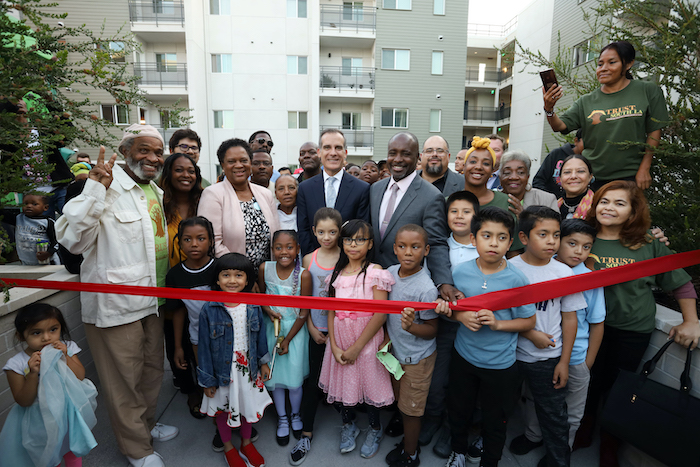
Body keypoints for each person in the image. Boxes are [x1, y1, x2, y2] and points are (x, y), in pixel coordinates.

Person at [56, 124, 178, 467]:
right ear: (125, 150)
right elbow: (72, 240)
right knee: (123, 382)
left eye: (158, 153)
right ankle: (136, 449)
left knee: (151, 372)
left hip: (152, 303)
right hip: (115, 307)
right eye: (144, 150)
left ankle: (146, 428)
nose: (153, 158)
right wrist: (95, 189)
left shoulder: (152, 188)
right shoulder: (102, 185)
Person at [579, 181, 699, 465]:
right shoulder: (582, 236)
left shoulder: (648, 242)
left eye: (620, 203)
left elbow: (679, 282)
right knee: (587, 382)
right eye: (604, 201)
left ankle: (610, 441)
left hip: (632, 329)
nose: (609, 208)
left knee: (620, 387)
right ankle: (583, 429)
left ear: (633, 212)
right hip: (586, 327)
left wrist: (691, 321)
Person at [436, 207, 536, 467]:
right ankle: (457, 452)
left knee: (496, 420)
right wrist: (458, 317)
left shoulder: (517, 279)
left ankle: (490, 461)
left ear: (510, 242)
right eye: (487, 236)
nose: (494, 243)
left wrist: (498, 324)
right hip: (463, 357)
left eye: (502, 237)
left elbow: (529, 321)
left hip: (500, 365)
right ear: (473, 239)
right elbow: (450, 310)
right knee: (458, 410)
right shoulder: (459, 273)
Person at [511, 218, 605, 457]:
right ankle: (533, 436)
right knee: (535, 399)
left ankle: (563, 450)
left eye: (586, 247)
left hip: (575, 356)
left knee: (570, 411)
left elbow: (596, 323)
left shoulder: (589, 279)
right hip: (541, 354)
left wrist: (587, 362)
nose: (579, 251)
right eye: (571, 243)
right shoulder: (536, 268)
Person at [543, 41, 670, 190]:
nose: (604, 69)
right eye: (600, 64)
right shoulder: (587, 101)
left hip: (630, 176)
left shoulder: (647, 91)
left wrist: (645, 167)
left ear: (628, 64)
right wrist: (549, 108)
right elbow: (560, 126)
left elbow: (655, 130)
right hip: (593, 178)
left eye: (612, 62)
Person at [318, 219, 395, 458]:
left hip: (366, 340)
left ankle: (374, 428)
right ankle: (348, 425)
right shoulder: (336, 274)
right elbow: (331, 310)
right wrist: (334, 343)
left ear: (370, 244)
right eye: (349, 239)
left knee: (369, 386)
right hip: (339, 340)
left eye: (360, 239)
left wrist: (357, 348)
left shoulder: (376, 273)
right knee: (343, 384)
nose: (354, 244)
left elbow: (381, 314)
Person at [420, 190, 480, 458]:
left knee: (463, 383)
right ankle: (432, 418)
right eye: (453, 211)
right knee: (437, 380)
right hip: (444, 324)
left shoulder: (483, 245)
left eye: (466, 212)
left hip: (474, 328)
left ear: (476, 216)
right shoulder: (439, 245)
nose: (459, 216)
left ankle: (451, 427)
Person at [0, 303, 97, 467]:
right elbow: (24, 400)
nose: (46, 337)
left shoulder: (68, 348)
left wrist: (66, 356)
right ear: (21, 336)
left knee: (72, 449)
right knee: (49, 455)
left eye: (53, 329)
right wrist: (32, 374)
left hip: (67, 412)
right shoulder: (17, 364)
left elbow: (80, 376)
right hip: (39, 419)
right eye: (36, 332)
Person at [198, 253, 272, 467]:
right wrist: (207, 380)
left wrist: (264, 362)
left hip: (247, 371)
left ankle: (246, 443)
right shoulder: (209, 309)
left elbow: (260, 337)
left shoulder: (253, 305)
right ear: (218, 279)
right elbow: (203, 346)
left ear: (247, 280)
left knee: (248, 408)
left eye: (238, 275)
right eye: (226, 275)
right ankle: (228, 447)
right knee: (223, 410)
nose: (232, 280)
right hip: (222, 374)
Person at [370, 132, 460, 304]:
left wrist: (444, 282)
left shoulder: (431, 196)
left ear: (418, 158)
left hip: (406, 286)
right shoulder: (375, 189)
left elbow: (436, 242)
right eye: (392, 153)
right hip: (374, 284)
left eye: (405, 154)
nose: (397, 159)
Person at [289, 208, 343, 465]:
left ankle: (349, 425)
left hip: (341, 331)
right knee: (313, 381)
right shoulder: (308, 259)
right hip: (316, 328)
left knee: (342, 379)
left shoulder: (346, 257)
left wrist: (334, 334)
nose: (327, 237)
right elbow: (305, 298)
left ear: (340, 232)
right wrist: (310, 326)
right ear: (313, 231)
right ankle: (306, 432)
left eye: (332, 232)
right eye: (321, 232)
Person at [384, 224, 439, 467]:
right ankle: (408, 442)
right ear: (395, 249)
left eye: (415, 247)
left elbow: (432, 330)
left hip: (417, 359)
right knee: (402, 403)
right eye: (403, 246)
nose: (408, 252)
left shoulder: (426, 288)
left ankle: (411, 455)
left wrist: (410, 327)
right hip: (397, 354)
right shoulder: (390, 273)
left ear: (425, 250)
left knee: (411, 410)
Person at [258, 230, 311, 446]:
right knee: (275, 378)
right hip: (272, 329)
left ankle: (295, 414)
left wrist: (288, 339)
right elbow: (260, 296)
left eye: (289, 247)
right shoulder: (265, 269)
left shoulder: (303, 275)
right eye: (278, 247)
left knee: (294, 380)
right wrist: (268, 310)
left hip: (294, 333)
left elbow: (304, 311)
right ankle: (282, 418)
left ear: (297, 249)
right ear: (272, 250)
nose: (284, 252)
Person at [198, 138, 279, 270]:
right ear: (223, 165)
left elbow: (276, 236)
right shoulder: (212, 194)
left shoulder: (265, 194)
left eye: (243, 160)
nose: (239, 165)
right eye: (231, 161)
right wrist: (244, 274)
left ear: (250, 163)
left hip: (267, 276)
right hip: (233, 277)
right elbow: (213, 243)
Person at [166, 217, 216, 422]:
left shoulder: (220, 269)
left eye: (201, 238)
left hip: (225, 338)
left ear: (211, 241)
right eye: (187, 239)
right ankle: (215, 417)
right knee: (205, 376)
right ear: (179, 243)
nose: (194, 244)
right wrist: (178, 346)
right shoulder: (175, 275)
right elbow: (178, 311)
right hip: (197, 340)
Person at [296, 128, 370, 255]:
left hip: (349, 264)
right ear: (319, 152)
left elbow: (361, 231)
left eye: (338, 148)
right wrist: (314, 260)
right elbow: (303, 229)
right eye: (327, 147)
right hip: (315, 263)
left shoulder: (361, 188)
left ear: (345, 153)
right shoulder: (305, 188)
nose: (333, 153)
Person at [160, 153, 203, 267]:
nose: (186, 175)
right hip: (167, 277)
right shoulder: (158, 204)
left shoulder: (204, 203)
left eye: (191, 171)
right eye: (179, 170)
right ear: (169, 173)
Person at [499, 150, 558, 218]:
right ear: (500, 177)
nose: (514, 177)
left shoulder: (546, 200)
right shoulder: (491, 199)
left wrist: (524, 219)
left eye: (520, 172)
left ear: (528, 176)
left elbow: (553, 227)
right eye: (507, 173)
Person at [533, 129, 584, 198]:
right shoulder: (557, 154)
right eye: (587, 141)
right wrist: (550, 200)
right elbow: (538, 181)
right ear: (576, 141)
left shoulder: (595, 160)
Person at [15, 193, 61, 265]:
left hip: (46, 262)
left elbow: (56, 241)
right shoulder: (19, 218)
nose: (29, 206)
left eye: (34, 204)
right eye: (25, 204)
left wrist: (48, 253)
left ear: (45, 207)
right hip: (26, 262)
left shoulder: (48, 222)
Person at [557, 154, 595, 220]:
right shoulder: (553, 207)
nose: (573, 176)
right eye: (567, 172)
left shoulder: (597, 206)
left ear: (590, 177)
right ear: (560, 178)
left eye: (580, 171)